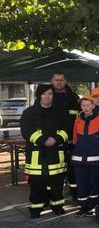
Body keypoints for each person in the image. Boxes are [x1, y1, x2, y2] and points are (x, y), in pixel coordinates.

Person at [20, 85, 68, 218]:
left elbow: (67, 130)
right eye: (44, 94)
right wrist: (42, 140)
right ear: (39, 96)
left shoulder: (60, 112)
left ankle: (57, 206)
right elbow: (26, 131)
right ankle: (36, 208)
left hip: (55, 154)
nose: (47, 96)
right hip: (36, 156)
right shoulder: (29, 113)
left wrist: (56, 139)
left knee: (57, 183)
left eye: (50, 94)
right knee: (36, 184)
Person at [71, 95, 99, 216]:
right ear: (80, 107)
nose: (86, 108)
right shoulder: (77, 120)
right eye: (83, 105)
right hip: (79, 159)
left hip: (94, 159)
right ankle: (83, 206)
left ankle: (92, 205)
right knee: (81, 183)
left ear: (93, 106)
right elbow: (74, 139)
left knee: (93, 183)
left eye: (88, 105)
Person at [50, 72, 81, 200]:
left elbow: (80, 117)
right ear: (52, 81)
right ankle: (53, 195)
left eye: (61, 80)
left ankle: (75, 193)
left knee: (73, 167)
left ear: (66, 81)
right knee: (54, 168)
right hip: (53, 139)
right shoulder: (47, 95)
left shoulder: (73, 97)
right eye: (56, 80)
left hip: (71, 139)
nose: (59, 82)